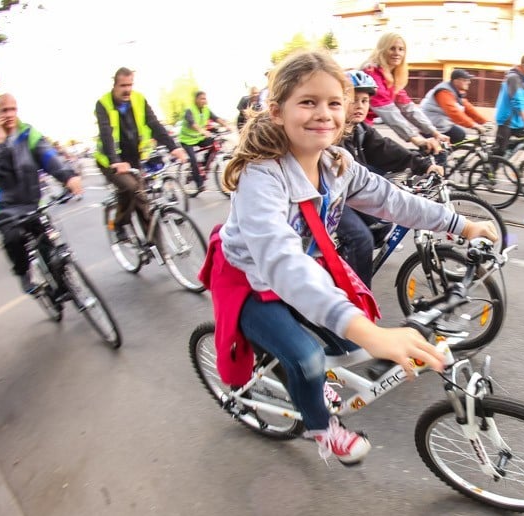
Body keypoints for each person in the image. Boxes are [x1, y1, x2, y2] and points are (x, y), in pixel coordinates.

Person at [213, 50, 498, 465]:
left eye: (333, 103)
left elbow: (393, 201)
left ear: (347, 110)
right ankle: (321, 428)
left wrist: (459, 224)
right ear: (277, 111)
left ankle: (304, 376)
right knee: (309, 358)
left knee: (348, 336)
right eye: (307, 102)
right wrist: (372, 334)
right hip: (252, 281)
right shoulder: (262, 177)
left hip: (303, 270)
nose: (322, 113)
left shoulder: (337, 163)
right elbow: (279, 261)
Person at [338, 69, 444, 286]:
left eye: (365, 100)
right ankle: (358, 300)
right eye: (353, 100)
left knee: (383, 222)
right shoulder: (333, 132)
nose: (360, 105)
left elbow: (386, 149)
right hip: (333, 197)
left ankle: (346, 263)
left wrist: (422, 166)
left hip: (351, 191)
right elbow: (354, 175)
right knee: (361, 239)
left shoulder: (360, 130)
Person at [0, 94, 83, 293]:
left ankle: (62, 288)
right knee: (14, 240)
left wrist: (68, 176)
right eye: (4, 110)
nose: (10, 114)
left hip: (31, 201)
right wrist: (0, 142)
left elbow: (47, 155)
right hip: (3, 207)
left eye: (13, 109)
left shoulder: (27, 132)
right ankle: (23, 273)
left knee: (48, 248)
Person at [94, 67, 187, 244]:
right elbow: (106, 134)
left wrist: (173, 147)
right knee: (130, 188)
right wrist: (115, 161)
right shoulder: (103, 104)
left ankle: (158, 249)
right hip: (110, 160)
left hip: (134, 159)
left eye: (130, 84)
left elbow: (154, 124)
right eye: (123, 85)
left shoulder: (138, 99)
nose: (127, 89)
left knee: (143, 203)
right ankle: (120, 223)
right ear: (115, 85)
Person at [361, 32, 448, 155]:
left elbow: (408, 108)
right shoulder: (371, 73)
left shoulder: (391, 77)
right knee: (390, 158)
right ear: (382, 49)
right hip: (352, 127)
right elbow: (388, 111)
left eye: (401, 49)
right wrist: (415, 138)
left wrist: (434, 132)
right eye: (392, 48)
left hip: (365, 128)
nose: (397, 53)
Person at [179, 91, 230, 194]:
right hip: (187, 140)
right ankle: (199, 184)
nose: (204, 100)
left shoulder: (206, 110)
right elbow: (192, 123)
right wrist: (202, 131)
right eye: (202, 98)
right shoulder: (190, 110)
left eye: (205, 98)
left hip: (198, 138)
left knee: (215, 142)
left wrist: (226, 125)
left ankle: (204, 163)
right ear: (196, 100)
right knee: (193, 159)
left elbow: (216, 118)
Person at [419, 69, 487, 145]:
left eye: (468, 80)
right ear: (456, 81)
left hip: (440, 124)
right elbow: (453, 112)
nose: (469, 82)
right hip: (428, 125)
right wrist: (473, 125)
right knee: (443, 149)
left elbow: (468, 108)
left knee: (459, 135)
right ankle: (436, 154)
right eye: (465, 80)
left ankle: (445, 152)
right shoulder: (443, 92)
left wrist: (484, 122)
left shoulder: (456, 92)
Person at [492, 54, 524, 157]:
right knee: (499, 153)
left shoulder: (521, 80)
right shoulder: (514, 78)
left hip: (515, 122)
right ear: (523, 65)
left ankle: (506, 156)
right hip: (506, 120)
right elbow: (517, 100)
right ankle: (488, 170)